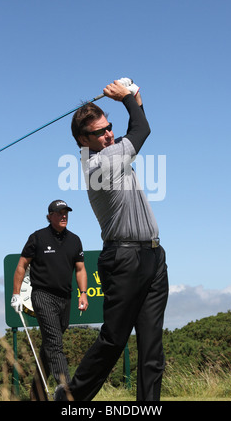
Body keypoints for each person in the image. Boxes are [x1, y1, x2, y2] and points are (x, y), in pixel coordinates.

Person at [56, 78, 169, 401]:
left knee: (151, 348)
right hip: (124, 259)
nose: (108, 134)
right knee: (114, 340)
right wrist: (126, 97)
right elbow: (141, 130)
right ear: (83, 140)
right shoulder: (99, 163)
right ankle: (70, 397)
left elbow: (137, 121)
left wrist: (132, 93)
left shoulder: (111, 149)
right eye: (100, 132)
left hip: (153, 256)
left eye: (109, 128)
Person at [11, 199, 88, 401]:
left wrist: (83, 293)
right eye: (59, 213)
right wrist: (16, 294)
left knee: (49, 345)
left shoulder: (75, 240)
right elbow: (21, 266)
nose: (64, 216)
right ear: (49, 216)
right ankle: (66, 390)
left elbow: (80, 269)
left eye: (66, 213)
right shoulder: (37, 238)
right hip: (42, 295)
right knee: (55, 343)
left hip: (65, 298)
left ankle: (37, 393)